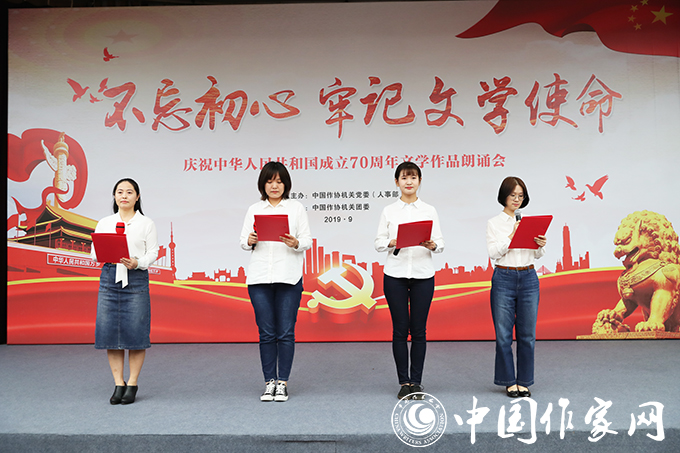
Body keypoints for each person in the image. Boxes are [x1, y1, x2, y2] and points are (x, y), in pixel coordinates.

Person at [240, 161, 311, 402]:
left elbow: (307, 240)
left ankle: (283, 383)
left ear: (286, 185)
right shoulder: (254, 209)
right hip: (259, 278)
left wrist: (296, 243)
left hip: (288, 277)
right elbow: (243, 241)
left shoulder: (296, 208)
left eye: (279, 181)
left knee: (286, 332)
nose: (274, 186)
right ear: (263, 184)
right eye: (270, 181)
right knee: (267, 333)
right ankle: (269, 382)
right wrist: (250, 240)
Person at [375, 162, 444, 400]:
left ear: (419, 181)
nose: (409, 182)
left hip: (423, 275)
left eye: (413, 177)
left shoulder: (429, 210)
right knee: (400, 329)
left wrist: (433, 245)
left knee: (419, 331)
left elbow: (440, 242)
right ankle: (404, 382)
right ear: (397, 182)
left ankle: (416, 381)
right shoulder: (389, 211)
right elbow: (378, 243)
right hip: (395, 275)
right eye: (404, 177)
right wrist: (392, 241)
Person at [92, 178, 159, 405]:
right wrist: (106, 252)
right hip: (110, 277)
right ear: (114, 196)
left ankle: (132, 383)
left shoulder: (146, 223)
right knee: (110, 333)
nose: (124, 196)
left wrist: (138, 262)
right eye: (120, 192)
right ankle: (118, 383)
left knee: (136, 333)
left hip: (136, 277)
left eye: (129, 192)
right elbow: (93, 253)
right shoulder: (105, 223)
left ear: (137, 197)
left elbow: (153, 252)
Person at [486, 176, 547, 398]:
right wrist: (512, 236)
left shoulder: (528, 223)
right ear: (504, 196)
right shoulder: (494, 223)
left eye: (521, 196)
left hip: (529, 277)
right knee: (503, 335)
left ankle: (524, 381)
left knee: (527, 334)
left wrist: (540, 245)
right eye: (513, 195)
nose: (516, 199)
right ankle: (508, 381)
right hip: (504, 277)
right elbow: (493, 253)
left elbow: (537, 255)